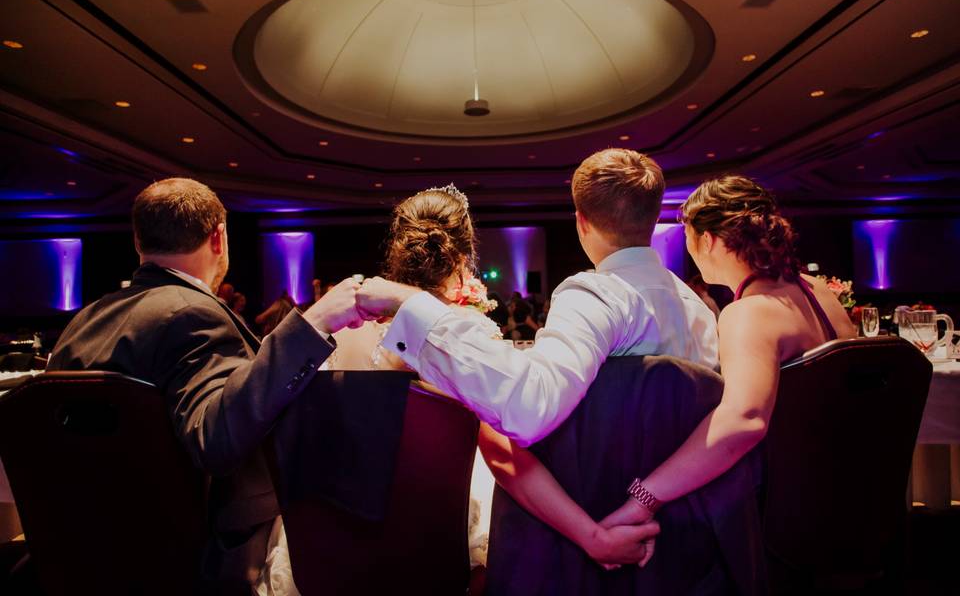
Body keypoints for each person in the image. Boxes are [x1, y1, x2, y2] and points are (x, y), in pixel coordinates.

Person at [256, 185, 660, 596]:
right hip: (431, 538)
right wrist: (589, 533)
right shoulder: (471, 338)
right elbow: (504, 453)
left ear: (398, 249)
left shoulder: (342, 330)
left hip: (336, 535)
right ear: (463, 259)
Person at [357, 149, 718, 559]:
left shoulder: (596, 297)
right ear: (654, 219)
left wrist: (411, 304)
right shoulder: (697, 309)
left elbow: (528, 409)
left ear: (581, 222)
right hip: (688, 524)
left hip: (594, 513)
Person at [47, 178, 366, 593]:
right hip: (197, 559)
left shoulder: (85, 319)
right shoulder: (193, 313)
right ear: (219, 237)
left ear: (138, 241)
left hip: (86, 547)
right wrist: (313, 324)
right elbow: (217, 438)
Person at [597, 175, 856, 533]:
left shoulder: (749, 313)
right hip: (847, 483)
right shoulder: (818, 291)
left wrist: (644, 496)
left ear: (708, 239)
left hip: (786, 508)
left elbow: (743, 421)